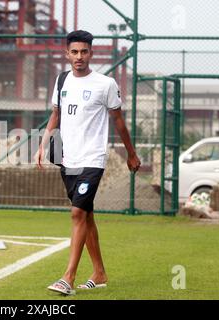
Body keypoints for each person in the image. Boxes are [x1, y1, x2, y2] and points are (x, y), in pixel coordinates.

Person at [34, 30, 141, 295]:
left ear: (91, 53)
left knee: (77, 213)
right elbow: (55, 115)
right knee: (87, 214)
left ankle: (68, 278)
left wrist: (131, 153)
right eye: (74, 52)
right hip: (66, 158)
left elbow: (118, 122)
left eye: (84, 52)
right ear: (67, 54)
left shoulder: (105, 84)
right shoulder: (61, 82)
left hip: (93, 159)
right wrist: (42, 145)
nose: (79, 57)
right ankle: (99, 272)